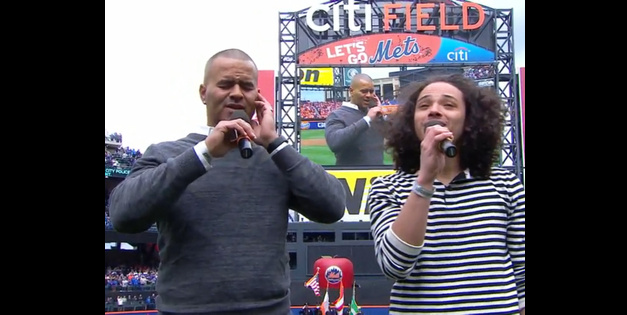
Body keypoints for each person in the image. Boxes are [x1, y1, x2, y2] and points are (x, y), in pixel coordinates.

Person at [107, 48, 346, 315]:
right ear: (203, 93)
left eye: (246, 86)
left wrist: (275, 143)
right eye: (225, 85)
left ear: (258, 97)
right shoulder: (167, 154)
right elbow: (123, 215)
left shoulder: (275, 158)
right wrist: (203, 153)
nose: (236, 93)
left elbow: (333, 207)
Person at [368, 74, 525, 315]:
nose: (434, 111)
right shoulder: (386, 188)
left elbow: (523, 275)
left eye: (448, 104)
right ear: (411, 122)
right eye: (424, 105)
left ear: (469, 120)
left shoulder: (505, 184)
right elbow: (394, 266)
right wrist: (425, 181)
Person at [324, 73, 386, 166]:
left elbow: (394, 138)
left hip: (377, 176)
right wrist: (367, 120)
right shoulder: (337, 115)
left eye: (371, 91)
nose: (369, 95)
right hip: (352, 178)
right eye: (364, 91)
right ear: (351, 91)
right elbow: (334, 142)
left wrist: (381, 116)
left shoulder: (375, 115)